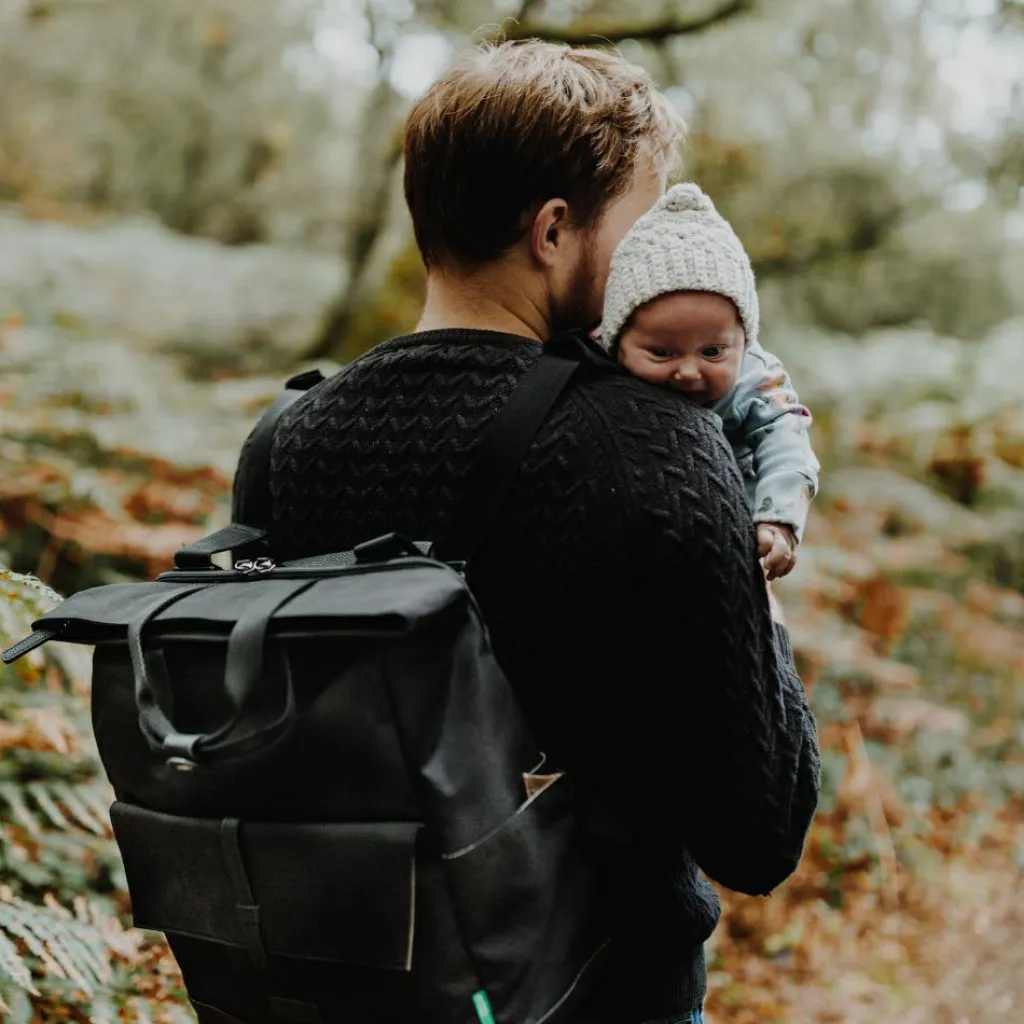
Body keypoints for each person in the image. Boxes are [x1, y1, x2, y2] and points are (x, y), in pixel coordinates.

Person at [268, 39, 820, 1024]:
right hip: (592, 992)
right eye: (640, 226)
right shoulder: (650, 441)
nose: (654, 260)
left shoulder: (289, 436)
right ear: (554, 230)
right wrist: (756, 587)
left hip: (353, 982)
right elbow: (760, 829)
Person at [597, 182, 820, 581]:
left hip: (732, 539)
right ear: (616, 341)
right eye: (662, 353)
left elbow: (788, 440)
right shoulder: (596, 371)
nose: (688, 371)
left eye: (713, 352)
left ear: (743, 340)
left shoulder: (756, 378)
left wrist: (778, 521)